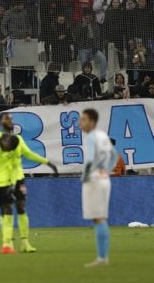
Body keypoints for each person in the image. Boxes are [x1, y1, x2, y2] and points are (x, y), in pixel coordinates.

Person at [0, 115, 57, 255]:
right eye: (7, 119)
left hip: (9, 180)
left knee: (12, 208)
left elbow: (18, 162)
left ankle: (11, 243)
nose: (8, 152)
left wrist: (12, 183)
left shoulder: (16, 142)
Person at [79, 109, 118, 268]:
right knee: (101, 217)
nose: (80, 123)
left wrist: (85, 177)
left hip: (94, 179)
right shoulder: (103, 136)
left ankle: (102, 258)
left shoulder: (91, 137)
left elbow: (89, 162)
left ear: (92, 121)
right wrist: (106, 170)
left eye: (83, 119)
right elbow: (114, 156)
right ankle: (103, 257)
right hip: (104, 178)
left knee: (98, 218)